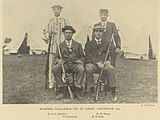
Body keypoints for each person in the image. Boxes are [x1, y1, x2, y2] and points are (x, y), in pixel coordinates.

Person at [85, 24, 117, 102]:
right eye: (96, 31)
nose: (98, 33)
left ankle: (113, 91)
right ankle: (92, 90)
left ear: (102, 33)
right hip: (93, 63)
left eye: (100, 31)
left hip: (104, 63)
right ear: (94, 33)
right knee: (88, 69)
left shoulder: (107, 43)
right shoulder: (89, 43)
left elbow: (110, 55)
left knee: (111, 69)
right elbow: (88, 56)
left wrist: (108, 61)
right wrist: (97, 62)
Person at [52, 25, 85, 100]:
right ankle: (62, 90)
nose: (68, 34)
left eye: (70, 33)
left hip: (75, 64)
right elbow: (56, 57)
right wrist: (58, 61)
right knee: (55, 69)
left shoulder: (78, 45)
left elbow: (82, 56)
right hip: (64, 65)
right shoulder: (60, 45)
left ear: (72, 34)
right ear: (64, 34)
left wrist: (81, 61)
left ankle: (78, 90)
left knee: (81, 69)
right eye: (66, 32)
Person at [45, 5, 69, 89]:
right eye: (55, 9)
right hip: (53, 45)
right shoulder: (50, 21)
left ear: (60, 11)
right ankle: (51, 82)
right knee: (51, 64)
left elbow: (68, 31)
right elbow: (46, 32)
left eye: (58, 9)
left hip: (62, 45)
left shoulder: (64, 20)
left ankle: (63, 79)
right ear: (53, 11)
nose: (56, 11)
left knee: (63, 62)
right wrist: (49, 35)